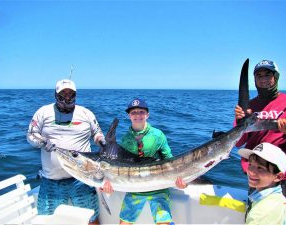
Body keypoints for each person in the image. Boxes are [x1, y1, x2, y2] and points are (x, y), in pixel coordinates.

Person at [26, 79, 105, 225]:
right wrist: (42, 142)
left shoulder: (86, 113)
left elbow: (97, 133)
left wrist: (102, 142)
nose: (67, 97)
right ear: (55, 94)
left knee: (91, 218)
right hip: (51, 180)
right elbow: (31, 134)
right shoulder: (43, 112)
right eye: (63, 94)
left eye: (71, 94)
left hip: (82, 179)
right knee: (47, 220)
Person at [101, 98, 187, 225]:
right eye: (133, 112)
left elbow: (170, 161)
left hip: (159, 189)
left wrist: (181, 181)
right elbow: (121, 169)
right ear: (129, 116)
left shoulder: (158, 135)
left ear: (147, 114)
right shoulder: (125, 139)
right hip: (134, 190)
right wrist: (108, 185)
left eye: (141, 112)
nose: (137, 115)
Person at [234, 59, 286, 200]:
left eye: (267, 75)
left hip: (282, 174)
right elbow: (238, 143)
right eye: (259, 76)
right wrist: (241, 122)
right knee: (256, 214)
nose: (263, 79)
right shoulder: (249, 106)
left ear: (275, 77)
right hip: (255, 173)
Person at [238, 142, 286, 225]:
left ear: (278, 176)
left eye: (260, 168)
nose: (251, 171)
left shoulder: (260, 213)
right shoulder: (278, 198)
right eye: (250, 164)